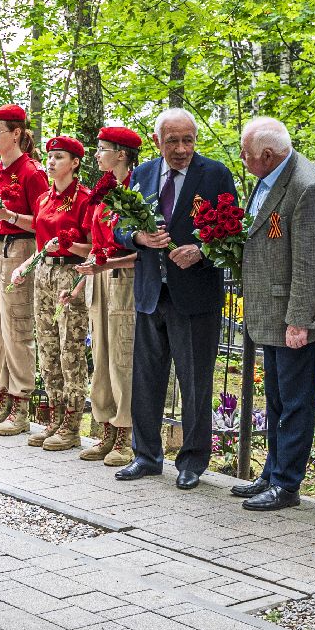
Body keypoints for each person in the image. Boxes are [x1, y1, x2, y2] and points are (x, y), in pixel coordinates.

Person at [115, 108, 238, 489]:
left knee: (195, 381)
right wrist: (138, 239)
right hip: (152, 292)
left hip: (195, 294)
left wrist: (200, 248)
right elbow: (120, 225)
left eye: (189, 140)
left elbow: (234, 229)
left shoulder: (215, 174)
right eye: (173, 141)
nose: (182, 149)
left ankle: (192, 462)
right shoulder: (144, 174)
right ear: (157, 141)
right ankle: (146, 456)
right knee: (147, 380)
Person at [234, 117, 315, 511]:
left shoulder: (305, 186)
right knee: (275, 399)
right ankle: (271, 473)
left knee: (295, 403)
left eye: (247, 154)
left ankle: (287, 484)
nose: (242, 159)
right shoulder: (270, 176)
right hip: (269, 313)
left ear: (269, 155)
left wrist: (299, 320)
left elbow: (311, 261)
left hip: (292, 318)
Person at [16, 135, 93, 451]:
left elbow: (92, 247)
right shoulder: (44, 199)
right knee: (47, 348)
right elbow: (40, 240)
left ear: (75, 163)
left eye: (59, 157)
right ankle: (55, 417)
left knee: (69, 348)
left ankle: (72, 425)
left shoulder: (85, 198)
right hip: (44, 272)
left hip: (70, 272)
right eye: (49, 157)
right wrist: (26, 265)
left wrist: (68, 245)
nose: (51, 163)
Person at [0, 104, 48, 435]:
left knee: (17, 329)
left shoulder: (32, 172)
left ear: (17, 133)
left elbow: (46, 224)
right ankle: (2, 397)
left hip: (18, 249)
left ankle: (21, 402)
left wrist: (11, 218)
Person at [77, 126, 141, 466]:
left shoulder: (137, 191)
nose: (97, 155)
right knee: (100, 355)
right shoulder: (104, 191)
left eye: (103, 149)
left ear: (121, 154)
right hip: (98, 277)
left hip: (123, 278)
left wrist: (106, 264)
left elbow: (142, 247)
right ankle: (106, 429)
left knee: (121, 355)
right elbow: (95, 242)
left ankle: (125, 435)